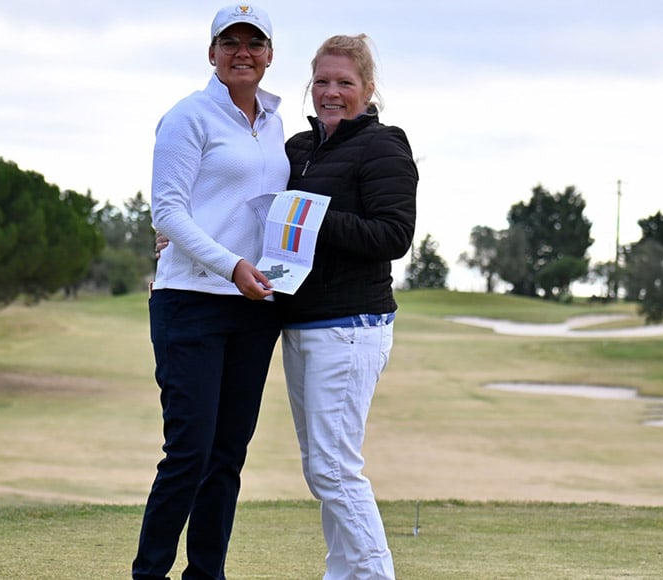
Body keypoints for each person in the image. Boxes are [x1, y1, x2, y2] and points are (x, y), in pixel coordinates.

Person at [131, 4, 288, 580]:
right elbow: (167, 210)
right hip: (192, 304)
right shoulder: (188, 117)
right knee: (189, 454)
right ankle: (148, 573)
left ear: (270, 54)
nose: (242, 52)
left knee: (227, 457)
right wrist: (231, 265)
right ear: (212, 52)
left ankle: (207, 574)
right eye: (230, 42)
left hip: (254, 311)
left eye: (254, 42)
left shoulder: (274, 125)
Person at [278, 34, 417, 580]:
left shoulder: (383, 146)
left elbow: (393, 235)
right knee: (322, 472)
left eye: (344, 83)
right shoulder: (297, 149)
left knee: (335, 469)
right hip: (302, 325)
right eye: (321, 82)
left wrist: (310, 216)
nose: (331, 93)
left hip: (352, 326)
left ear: (368, 88)